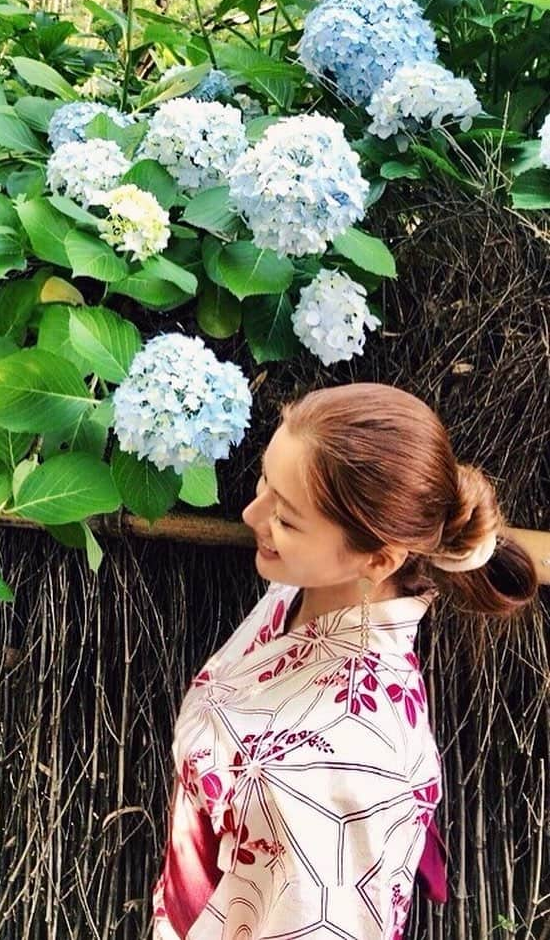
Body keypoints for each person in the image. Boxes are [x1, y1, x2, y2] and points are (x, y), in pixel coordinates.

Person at [151, 382, 539, 940]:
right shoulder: (306, 592)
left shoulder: (347, 770)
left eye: (285, 518)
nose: (250, 512)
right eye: (265, 481)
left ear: (378, 559)